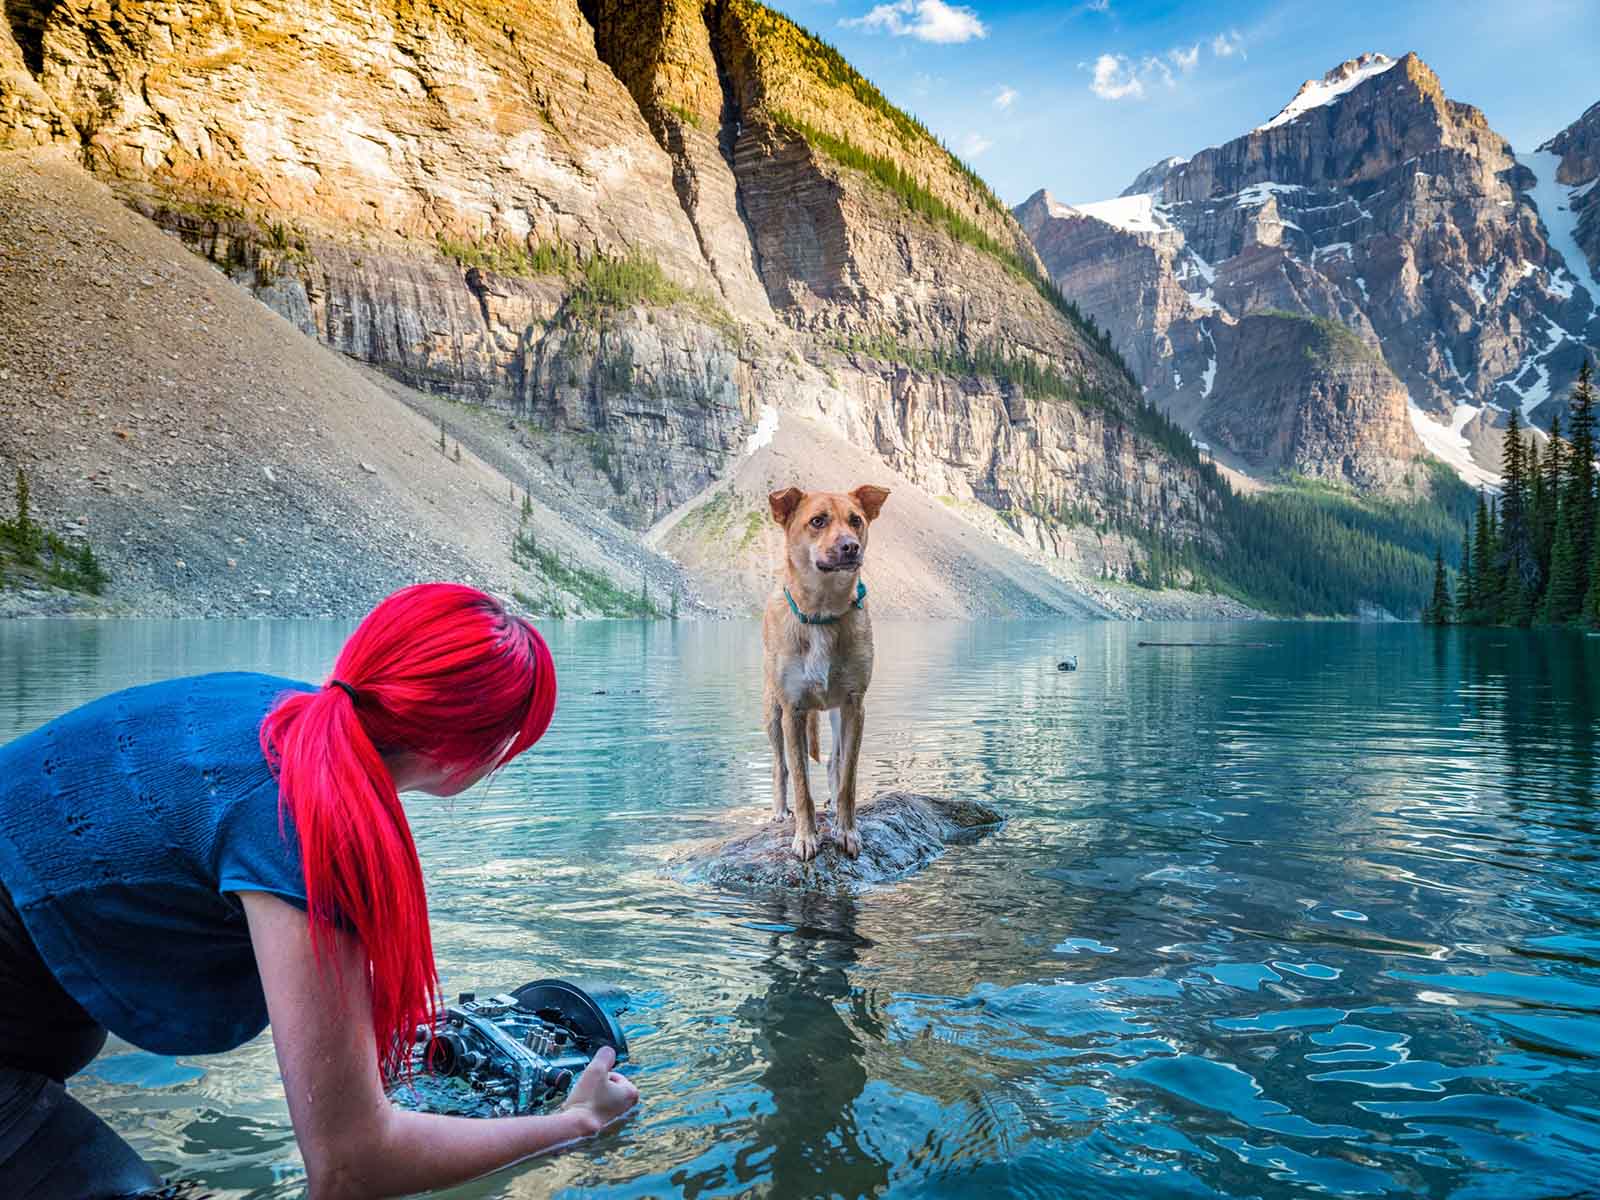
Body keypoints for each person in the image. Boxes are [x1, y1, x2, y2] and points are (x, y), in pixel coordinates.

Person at [0, 582, 638, 1199]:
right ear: (467, 752)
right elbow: (350, 1167)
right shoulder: (310, 824)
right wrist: (579, 1124)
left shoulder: (277, 708)